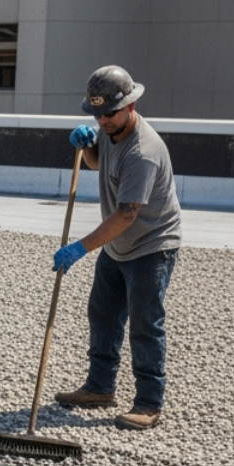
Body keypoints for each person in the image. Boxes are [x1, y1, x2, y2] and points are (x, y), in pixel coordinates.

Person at [51, 65, 182, 432]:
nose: (102, 120)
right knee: (103, 314)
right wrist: (88, 146)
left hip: (151, 244)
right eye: (96, 114)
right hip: (118, 244)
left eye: (109, 113)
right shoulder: (108, 134)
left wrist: (79, 248)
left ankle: (148, 404)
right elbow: (97, 163)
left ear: (130, 105)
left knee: (145, 324)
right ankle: (99, 388)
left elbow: (126, 215)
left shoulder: (143, 151)